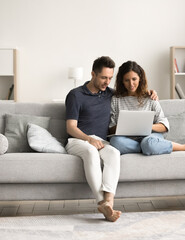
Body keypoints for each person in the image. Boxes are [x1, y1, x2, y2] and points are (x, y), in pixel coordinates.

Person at [65, 56, 158, 222]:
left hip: (102, 141)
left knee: (114, 153)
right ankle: (101, 202)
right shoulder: (75, 95)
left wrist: (150, 92)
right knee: (90, 153)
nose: (107, 82)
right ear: (93, 74)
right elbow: (70, 127)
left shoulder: (110, 94)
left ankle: (109, 202)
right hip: (78, 141)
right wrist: (88, 139)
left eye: (110, 78)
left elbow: (132, 92)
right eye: (103, 77)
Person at [109, 60, 185, 155]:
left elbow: (164, 126)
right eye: (127, 80)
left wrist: (145, 126)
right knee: (115, 141)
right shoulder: (116, 99)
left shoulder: (150, 97)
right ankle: (148, 148)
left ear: (140, 78)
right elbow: (111, 129)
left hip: (149, 137)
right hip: (128, 140)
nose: (131, 84)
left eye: (134, 79)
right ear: (122, 81)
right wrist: (124, 126)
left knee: (148, 142)